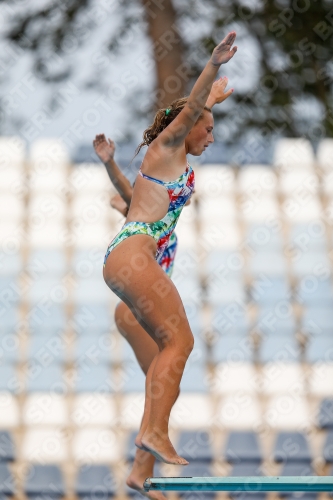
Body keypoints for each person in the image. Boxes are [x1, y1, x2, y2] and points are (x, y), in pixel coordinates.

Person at [93, 76, 234, 499]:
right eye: (206, 129)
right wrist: (212, 66)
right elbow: (189, 110)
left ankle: (141, 468)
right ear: (186, 126)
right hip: (132, 260)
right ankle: (153, 433)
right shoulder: (168, 148)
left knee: (163, 369)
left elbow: (137, 198)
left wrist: (210, 100)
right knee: (180, 343)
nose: (212, 136)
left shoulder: (168, 172)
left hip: (131, 264)